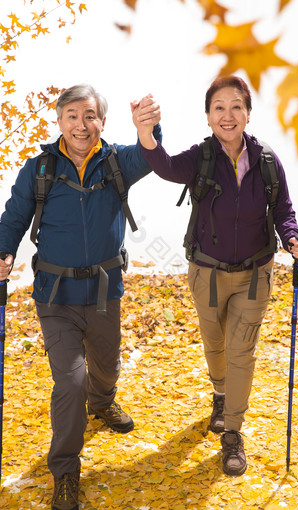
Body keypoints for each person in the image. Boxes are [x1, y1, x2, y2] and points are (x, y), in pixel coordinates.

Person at [131, 75, 298, 477]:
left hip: (254, 273)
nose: (228, 115)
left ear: (248, 113)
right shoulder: (202, 157)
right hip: (207, 273)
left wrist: (293, 238)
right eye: (219, 108)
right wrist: (146, 134)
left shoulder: (266, 160)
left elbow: (283, 208)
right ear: (208, 115)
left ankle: (233, 431)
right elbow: (166, 167)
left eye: (236, 107)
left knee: (241, 351)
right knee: (215, 345)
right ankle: (219, 393)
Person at [0, 84, 161, 510]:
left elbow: (149, 155)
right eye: (72, 115)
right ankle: (66, 470)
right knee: (70, 382)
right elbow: (13, 219)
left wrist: (148, 129)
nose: (81, 124)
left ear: (102, 122)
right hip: (56, 297)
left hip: (106, 293)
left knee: (105, 367)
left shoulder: (116, 162)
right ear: (59, 122)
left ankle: (104, 401)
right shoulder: (38, 170)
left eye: (89, 116)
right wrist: (3, 252)